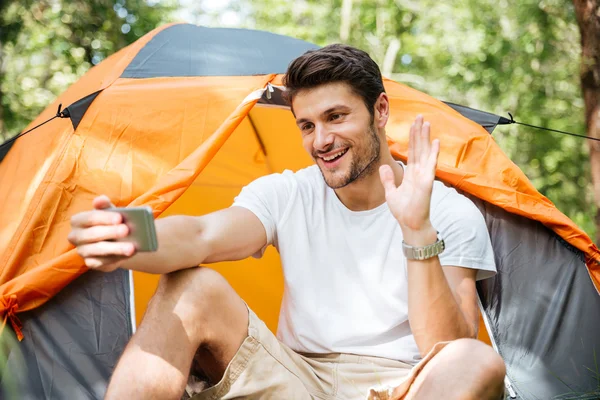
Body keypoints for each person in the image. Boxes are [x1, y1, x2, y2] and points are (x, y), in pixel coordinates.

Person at [68, 44, 506, 400]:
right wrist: (131, 239)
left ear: (381, 111)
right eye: (307, 126)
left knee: (477, 361)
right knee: (189, 286)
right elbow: (203, 235)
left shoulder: (447, 211)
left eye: (336, 117)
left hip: (399, 387)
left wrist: (416, 230)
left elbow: (447, 349)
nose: (322, 141)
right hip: (294, 380)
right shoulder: (288, 192)